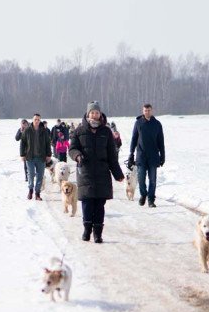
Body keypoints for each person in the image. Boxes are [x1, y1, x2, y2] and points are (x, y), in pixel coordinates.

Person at [69, 101, 124, 243]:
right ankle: (87, 229)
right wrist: (77, 156)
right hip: (85, 171)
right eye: (92, 112)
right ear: (88, 114)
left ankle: (98, 233)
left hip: (102, 173)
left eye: (97, 112)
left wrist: (118, 174)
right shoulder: (79, 131)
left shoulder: (106, 131)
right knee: (87, 203)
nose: (94, 115)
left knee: (100, 204)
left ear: (100, 114)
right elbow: (72, 149)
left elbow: (112, 155)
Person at [127, 103, 165, 208]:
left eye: (149, 110)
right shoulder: (138, 123)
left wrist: (162, 156)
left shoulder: (157, 124)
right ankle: (143, 194)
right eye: (145, 110)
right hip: (141, 156)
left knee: (152, 180)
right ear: (142, 111)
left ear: (151, 111)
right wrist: (131, 154)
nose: (147, 112)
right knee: (141, 179)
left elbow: (161, 141)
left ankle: (151, 199)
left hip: (153, 156)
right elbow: (134, 139)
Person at [20, 113, 52, 200]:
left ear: (40, 120)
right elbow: (23, 143)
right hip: (30, 157)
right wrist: (22, 154)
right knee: (30, 174)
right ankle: (30, 190)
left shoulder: (44, 131)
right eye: (35, 119)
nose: (37, 121)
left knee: (40, 175)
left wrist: (49, 155)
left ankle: (37, 193)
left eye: (38, 119)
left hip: (41, 157)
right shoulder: (27, 130)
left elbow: (47, 143)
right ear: (32, 120)